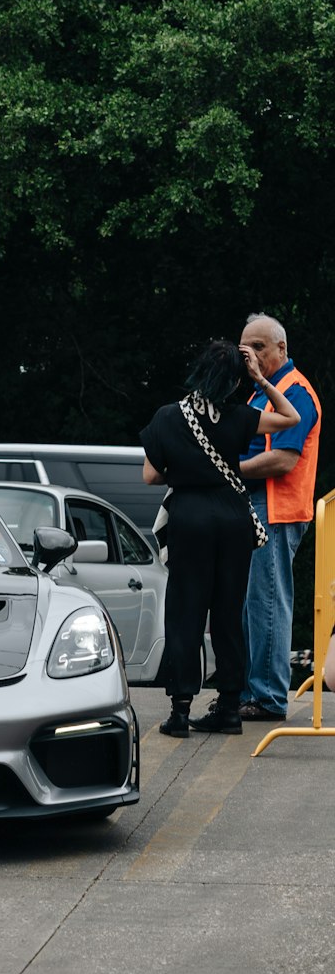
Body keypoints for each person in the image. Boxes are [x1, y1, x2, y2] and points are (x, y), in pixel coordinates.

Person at [140, 339, 300, 737]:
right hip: (233, 521)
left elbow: (150, 476)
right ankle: (229, 708)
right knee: (229, 615)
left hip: (189, 520)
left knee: (185, 615)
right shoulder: (240, 416)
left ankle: (179, 712)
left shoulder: (166, 417)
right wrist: (261, 380)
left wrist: (183, 468)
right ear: (234, 379)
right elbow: (290, 417)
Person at [237, 314, 322, 722]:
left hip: (276, 509)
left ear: (282, 349)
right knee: (254, 604)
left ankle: (268, 697)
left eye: (259, 347)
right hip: (261, 507)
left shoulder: (294, 390)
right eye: (245, 349)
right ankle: (255, 691)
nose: (250, 356)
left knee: (267, 603)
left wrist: (227, 469)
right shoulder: (261, 392)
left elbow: (284, 459)